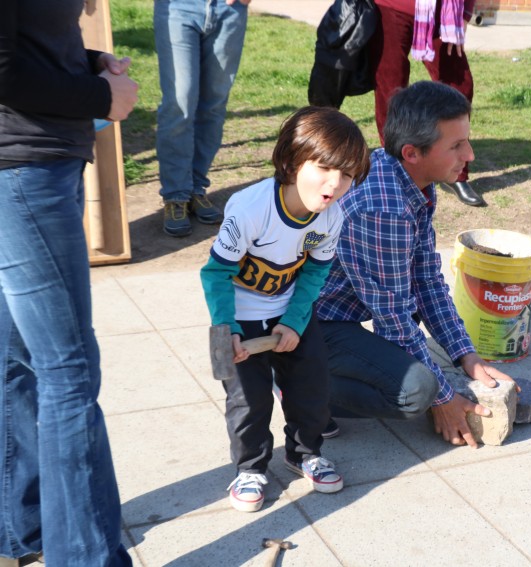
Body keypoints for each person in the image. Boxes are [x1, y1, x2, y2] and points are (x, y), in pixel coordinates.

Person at [0, 1, 138, 565]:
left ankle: (22, 530)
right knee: (69, 371)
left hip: (37, 163)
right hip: (24, 170)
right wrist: (99, 98)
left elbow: (23, 38)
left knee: (19, 359)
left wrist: (84, 61)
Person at [316, 81, 514, 449]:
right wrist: (444, 399)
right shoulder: (384, 209)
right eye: (456, 146)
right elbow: (393, 318)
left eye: (466, 141)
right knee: (416, 391)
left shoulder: (414, 178)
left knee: (422, 362)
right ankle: (300, 389)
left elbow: (426, 279)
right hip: (308, 323)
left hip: (337, 312)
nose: (469, 155)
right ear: (412, 152)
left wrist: (465, 356)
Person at [200, 107, 370, 512]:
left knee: (312, 388)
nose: (334, 183)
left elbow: (314, 274)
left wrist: (294, 321)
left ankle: (304, 453)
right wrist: (227, 329)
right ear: (293, 160)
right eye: (324, 168)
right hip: (239, 314)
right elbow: (215, 274)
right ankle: (250, 468)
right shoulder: (250, 209)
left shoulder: (331, 218)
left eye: (346, 175)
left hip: (288, 311)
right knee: (249, 400)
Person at [368, 0, 486, 207]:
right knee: (390, 88)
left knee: (460, 87)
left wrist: (465, 13)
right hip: (392, 7)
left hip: (443, 12)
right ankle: (392, 171)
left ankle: (457, 174)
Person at [155, 0, 251, 237]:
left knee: (214, 105)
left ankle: (196, 188)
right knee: (180, 103)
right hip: (178, 7)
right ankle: (176, 194)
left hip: (229, 10)